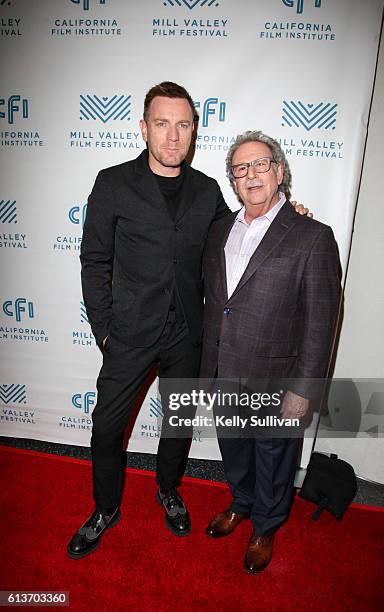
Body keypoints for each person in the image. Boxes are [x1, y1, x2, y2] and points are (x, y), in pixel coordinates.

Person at [67, 82, 309, 560]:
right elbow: (93, 260)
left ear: (194, 130)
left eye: (183, 124)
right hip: (129, 334)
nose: (173, 136)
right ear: (144, 128)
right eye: (162, 123)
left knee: (177, 423)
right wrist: (105, 329)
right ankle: (105, 508)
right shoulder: (112, 183)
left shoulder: (207, 190)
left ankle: (168, 490)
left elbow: (244, 228)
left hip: (187, 336)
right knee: (105, 426)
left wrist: (290, 216)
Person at [200, 131, 341, 574]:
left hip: (277, 380)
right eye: (240, 169)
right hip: (225, 369)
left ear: (280, 172)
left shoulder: (312, 236)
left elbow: (321, 322)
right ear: (234, 182)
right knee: (234, 450)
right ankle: (241, 502)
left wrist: (303, 391)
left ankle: (266, 524)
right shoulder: (219, 228)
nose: (251, 175)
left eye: (261, 164)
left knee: (275, 458)